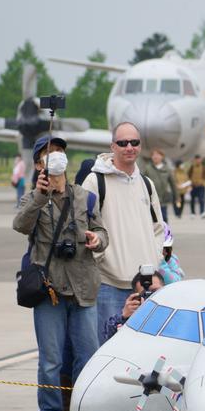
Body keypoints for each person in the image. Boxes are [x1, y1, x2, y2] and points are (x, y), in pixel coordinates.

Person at [13, 141, 108, 411]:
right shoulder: (33, 199)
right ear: (39, 165)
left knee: (87, 354)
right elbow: (20, 224)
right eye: (47, 155)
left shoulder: (85, 198)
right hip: (49, 289)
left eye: (59, 153)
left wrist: (97, 239)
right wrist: (41, 196)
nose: (56, 158)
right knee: (51, 358)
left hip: (83, 287)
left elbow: (103, 231)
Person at [81, 122, 164, 343]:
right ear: (113, 146)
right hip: (109, 286)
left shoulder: (146, 184)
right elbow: (84, 227)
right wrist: (103, 260)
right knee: (107, 346)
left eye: (134, 142)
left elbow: (159, 228)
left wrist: (154, 260)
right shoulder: (95, 181)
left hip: (145, 286)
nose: (129, 147)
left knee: (143, 350)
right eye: (123, 143)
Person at [102, 271, 164, 341]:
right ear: (136, 297)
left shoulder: (176, 307)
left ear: (166, 288)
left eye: (155, 291)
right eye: (145, 294)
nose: (152, 296)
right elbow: (109, 339)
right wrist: (123, 317)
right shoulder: (133, 319)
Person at [143, 149, 176, 223]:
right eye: (153, 155)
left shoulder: (167, 169)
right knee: (152, 218)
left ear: (162, 156)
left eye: (158, 154)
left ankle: (165, 233)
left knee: (164, 217)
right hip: (151, 198)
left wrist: (177, 198)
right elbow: (143, 182)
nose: (155, 156)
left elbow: (173, 184)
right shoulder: (148, 168)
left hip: (163, 198)